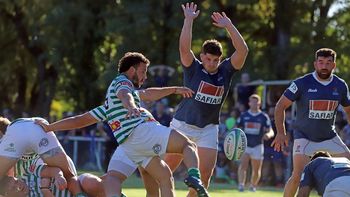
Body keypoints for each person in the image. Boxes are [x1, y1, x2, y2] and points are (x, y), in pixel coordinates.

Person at [36, 52, 209, 197]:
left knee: (119, 177)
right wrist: (132, 106)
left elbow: (79, 120)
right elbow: (124, 94)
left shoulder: (107, 106)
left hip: (129, 146)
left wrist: (51, 127)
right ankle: (194, 176)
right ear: (132, 69)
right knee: (188, 145)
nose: (145, 76)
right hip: (142, 132)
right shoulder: (123, 81)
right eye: (143, 71)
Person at [272, 48, 350, 197]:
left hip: (329, 136)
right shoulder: (302, 83)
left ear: (334, 65)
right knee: (297, 176)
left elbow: (348, 110)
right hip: (304, 137)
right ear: (315, 64)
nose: (324, 66)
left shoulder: (340, 85)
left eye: (328, 62)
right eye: (321, 62)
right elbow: (280, 106)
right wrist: (281, 133)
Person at [0, 117, 85, 197]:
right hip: (36, 125)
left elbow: (9, 176)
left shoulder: (8, 142)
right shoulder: (26, 172)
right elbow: (78, 120)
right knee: (70, 176)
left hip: (44, 169)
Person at [236, 94, 274, 192]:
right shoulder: (244, 115)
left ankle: (253, 186)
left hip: (258, 145)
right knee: (243, 165)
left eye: (256, 101)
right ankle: (241, 185)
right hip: (245, 145)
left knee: (256, 168)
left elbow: (271, 130)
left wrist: (268, 135)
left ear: (259, 103)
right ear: (249, 103)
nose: (254, 103)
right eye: (252, 101)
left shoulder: (263, 116)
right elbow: (236, 128)